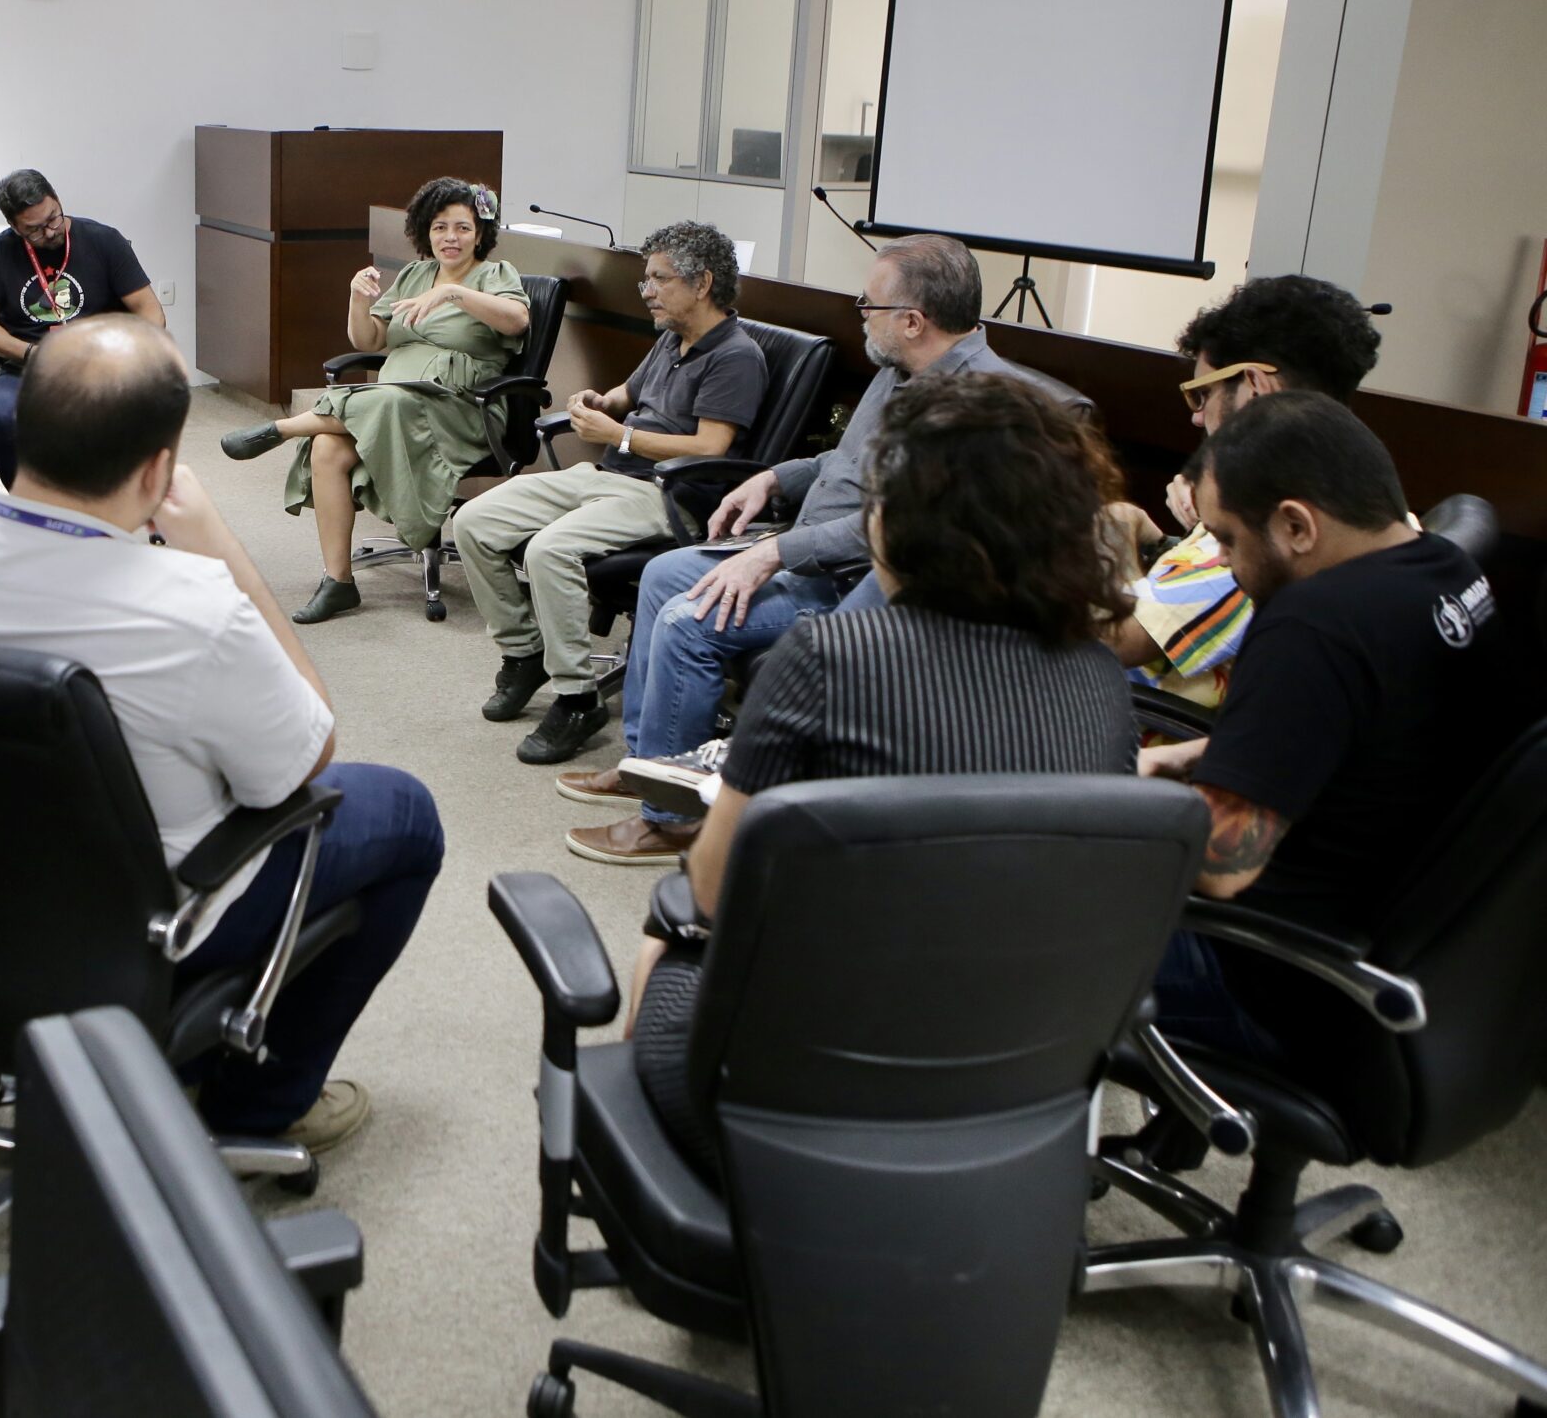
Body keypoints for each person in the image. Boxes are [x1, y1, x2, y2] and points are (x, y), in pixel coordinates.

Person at [0, 315, 442, 1153]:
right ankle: (256, 1104)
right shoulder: (193, 608)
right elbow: (308, 754)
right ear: (158, 470)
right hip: (115, 943)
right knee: (406, 813)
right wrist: (223, 552)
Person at [620, 375, 1138, 1163]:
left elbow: (717, 892)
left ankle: (664, 1183)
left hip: (803, 1097)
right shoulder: (1102, 681)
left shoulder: (826, 656)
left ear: (894, 524)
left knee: (668, 928)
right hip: (1013, 1088)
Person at [564, 233, 1076, 866]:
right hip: (810, 552)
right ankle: (649, 763)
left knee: (687, 618)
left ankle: (671, 823)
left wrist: (776, 552)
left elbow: (906, 528)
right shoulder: (898, 369)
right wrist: (773, 478)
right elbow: (844, 460)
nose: (859, 314)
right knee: (665, 574)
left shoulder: (984, 403)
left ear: (912, 321)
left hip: (861, 584)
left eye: (869, 304)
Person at [1139, 393, 1528, 1060]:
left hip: (1261, 974)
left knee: (1003, 916)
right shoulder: (1448, 571)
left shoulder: (1312, 625)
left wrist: (1100, 811)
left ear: (1296, 525)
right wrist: (1192, 755)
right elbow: (1368, 734)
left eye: (1228, 539)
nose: (1225, 562)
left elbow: (1221, 867)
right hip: (1402, 965)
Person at [452, 220, 767, 764]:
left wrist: (619, 435)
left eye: (659, 279)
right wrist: (600, 402)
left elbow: (710, 446)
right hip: (608, 475)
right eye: (647, 279)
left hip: (666, 493)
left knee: (549, 551)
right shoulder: (673, 336)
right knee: (473, 522)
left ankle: (577, 699)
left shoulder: (736, 356)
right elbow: (628, 393)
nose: (647, 291)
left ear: (702, 283)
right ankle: (524, 653)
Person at [217, 178, 533, 625]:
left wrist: (453, 293)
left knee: (389, 402)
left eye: (462, 228)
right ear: (425, 232)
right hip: (395, 399)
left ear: (479, 232)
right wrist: (357, 298)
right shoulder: (414, 275)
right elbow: (369, 339)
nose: (450, 237)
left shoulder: (496, 275)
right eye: (440, 227)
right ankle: (338, 582)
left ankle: (283, 428)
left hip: (462, 407)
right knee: (328, 447)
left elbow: (517, 321)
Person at [1102, 274, 1384, 709]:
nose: (1197, 417)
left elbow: (1108, 642)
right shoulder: (1347, 495)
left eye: (1203, 395)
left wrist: (1117, 542)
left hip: (1124, 731)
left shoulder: (1264, 527)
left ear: (1255, 386)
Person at [0, 169, 168, 488]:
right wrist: (30, 353)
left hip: (100, 365)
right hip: (26, 370)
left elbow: (151, 311)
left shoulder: (104, 241)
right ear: (15, 227)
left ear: (57, 200)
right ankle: (29, 503)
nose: (49, 231)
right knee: (4, 416)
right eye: (34, 229)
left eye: (53, 218)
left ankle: (103, 500)